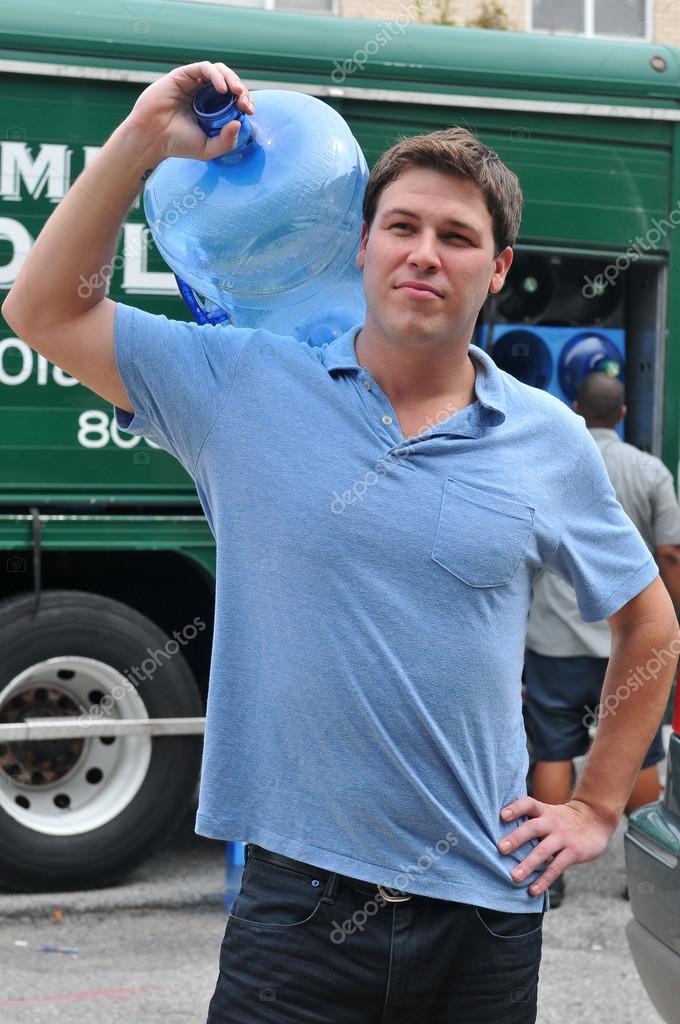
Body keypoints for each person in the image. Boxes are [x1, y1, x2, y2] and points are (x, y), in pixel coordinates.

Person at [2, 61, 678, 1024]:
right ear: (359, 244)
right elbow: (43, 309)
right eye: (402, 227)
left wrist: (599, 805)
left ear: (496, 272)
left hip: (486, 917)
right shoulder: (238, 386)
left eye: (458, 238)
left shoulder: (545, 437)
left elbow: (649, 621)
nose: (423, 255)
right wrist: (146, 139)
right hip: (298, 917)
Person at [524, 372, 680, 908]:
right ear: (623, 415)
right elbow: (671, 555)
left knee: (553, 747)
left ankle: (548, 874)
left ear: (574, 407)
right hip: (630, 644)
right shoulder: (649, 470)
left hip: (554, 643)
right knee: (638, 753)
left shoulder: (543, 459)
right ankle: (642, 877)